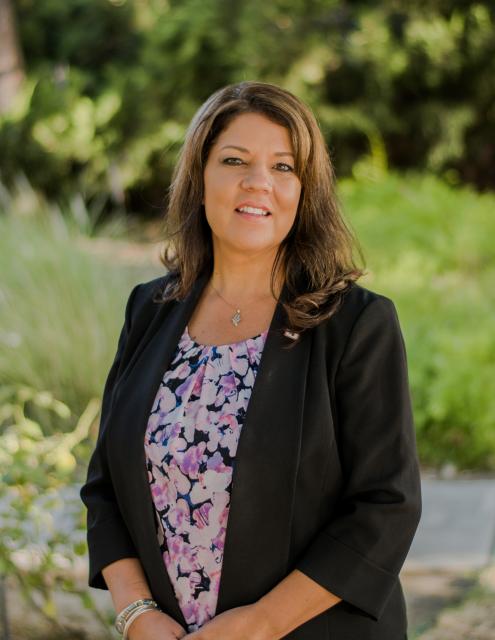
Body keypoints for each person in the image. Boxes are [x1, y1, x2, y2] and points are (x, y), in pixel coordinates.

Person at [80, 81, 421, 640]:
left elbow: (386, 507)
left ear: (306, 189)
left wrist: (261, 624)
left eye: (284, 167)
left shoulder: (357, 325)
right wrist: (136, 613)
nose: (258, 182)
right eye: (234, 159)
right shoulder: (149, 310)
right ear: (200, 178)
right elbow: (105, 486)